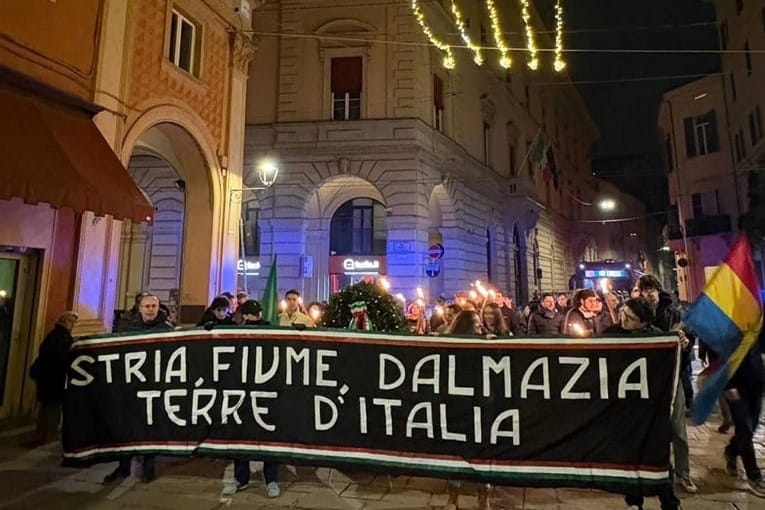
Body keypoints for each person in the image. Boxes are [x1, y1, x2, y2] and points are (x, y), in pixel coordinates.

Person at [603, 297, 681, 510]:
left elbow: (672, 370)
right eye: (623, 313)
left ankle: (669, 502)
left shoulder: (656, 337)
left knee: (656, 456)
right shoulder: (611, 333)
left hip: (649, 410)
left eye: (630, 318)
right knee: (629, 458)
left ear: (644, 322)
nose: (624, 319)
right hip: (622, 408)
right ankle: (634, 502)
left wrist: (681, 346)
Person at [637, 275, 697, 494]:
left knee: (678, 430)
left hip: (672, 378)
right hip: (647, 380)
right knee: (651, 430)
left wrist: (685, 343)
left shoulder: (674, 313)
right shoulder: (638, 313)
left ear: (658, 290)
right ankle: (656, 472)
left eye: (652, 288)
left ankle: (683, 473)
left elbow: (689, 339)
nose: (649, 293)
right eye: (645, 289)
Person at [104, 294, 172, 485]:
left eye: (153, 306)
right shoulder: (128, 329)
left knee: (150, 428)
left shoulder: (166, 330)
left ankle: (148, 467)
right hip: (131, 387)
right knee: (126, 428)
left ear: (158, 308)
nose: (150, 309)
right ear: (139, 308)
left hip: (154, 387)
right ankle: (123, 466)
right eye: (146, 306)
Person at [222, 299, 281, 498]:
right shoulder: (237, 333)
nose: (255, 317)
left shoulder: (271, 332)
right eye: (253, 313)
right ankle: (241, 478)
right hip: (244, 390)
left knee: (269, 436)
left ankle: (271, 479)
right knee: (242, 436)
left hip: (265, 390)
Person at [722, 327, 765, 497]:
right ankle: (754, 476)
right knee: (745, 429)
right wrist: (728, 386)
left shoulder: (758, 323)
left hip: (757, 384)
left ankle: (732, 450)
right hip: (736, 387)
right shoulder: (727, 327)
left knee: (752, 427)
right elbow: (719, 357)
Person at [29, 311, 78, 443]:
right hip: (53, 378)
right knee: (52, 406)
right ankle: (47, 434)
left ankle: (43, 433)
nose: (73, 325)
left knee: (47, 406)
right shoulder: (61, 337)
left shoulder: (56, 335)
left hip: (47, 377)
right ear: (65, 322)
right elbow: (61, 358)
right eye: (71, 322)